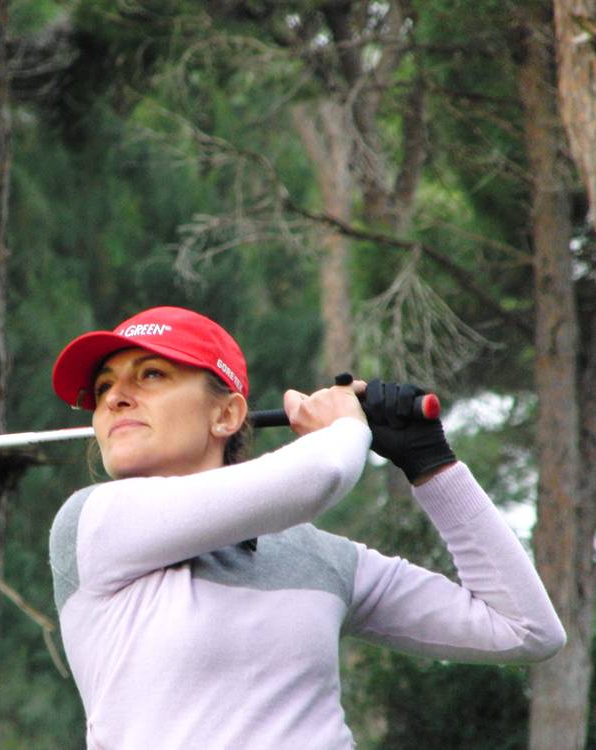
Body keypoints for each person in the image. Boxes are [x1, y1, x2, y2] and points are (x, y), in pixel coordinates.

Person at [48, 305, 565, 750]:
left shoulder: (322, 559)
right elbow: (323, 472)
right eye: (104, 386)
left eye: (150, 375)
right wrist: (346, 424)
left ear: (226, 415)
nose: (114, 398)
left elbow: (525, 630)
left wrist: (432, 464)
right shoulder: (95, 523)